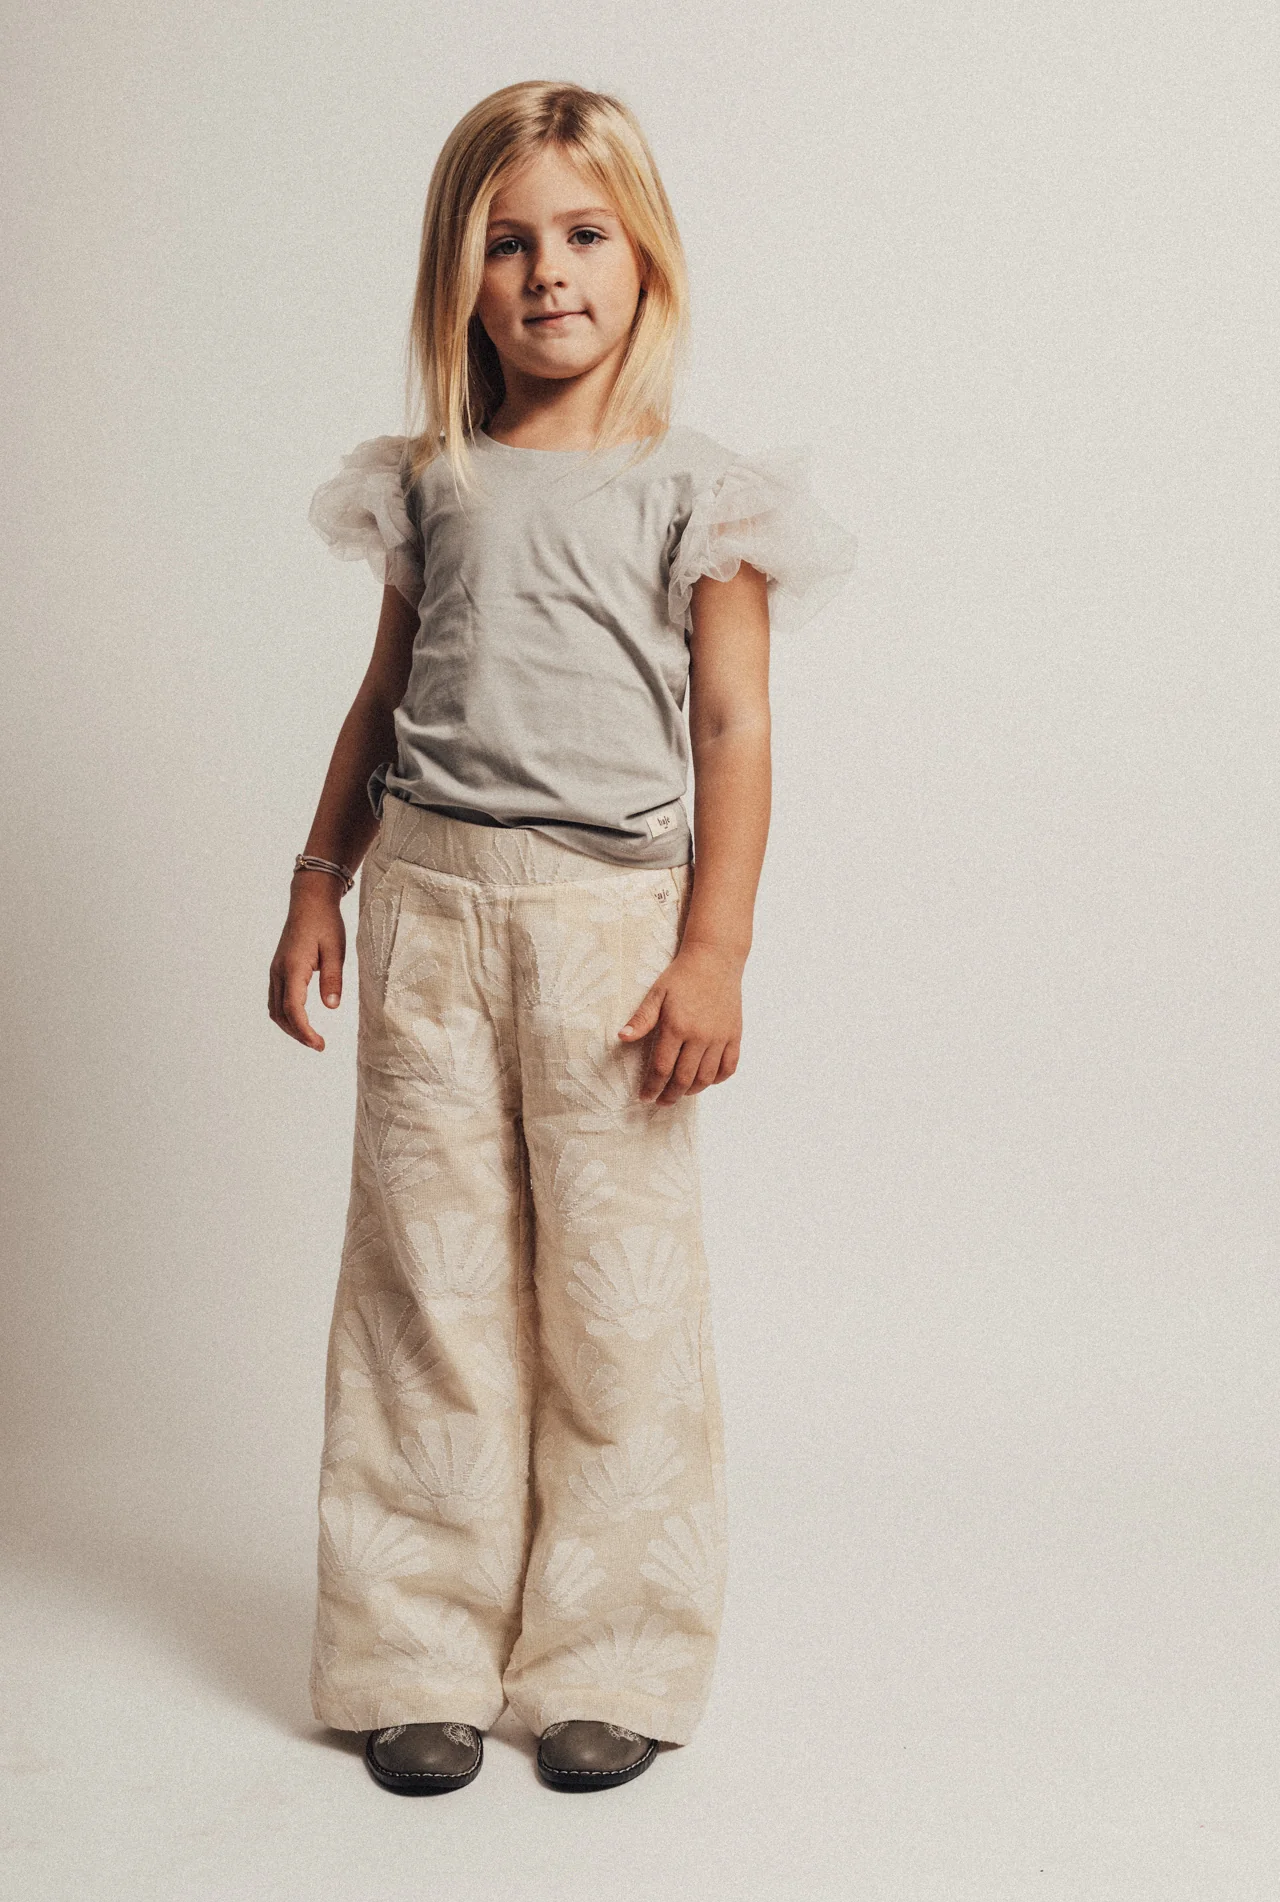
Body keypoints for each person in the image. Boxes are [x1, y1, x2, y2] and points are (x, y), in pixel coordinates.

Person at [269, 79, 856, 1796]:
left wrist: (714, 951)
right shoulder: (433, 482)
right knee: (426, 1293)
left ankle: (614, 1652)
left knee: (616, 1301)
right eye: (506, 242)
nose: (547, 273)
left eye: (584, 235)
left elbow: (734, 730)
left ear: (644, 256)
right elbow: (385, 695)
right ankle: (414, 1648)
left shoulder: (703, 496)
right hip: (431, 917)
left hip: (611, 939)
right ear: (458, 277)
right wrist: (318, 878)